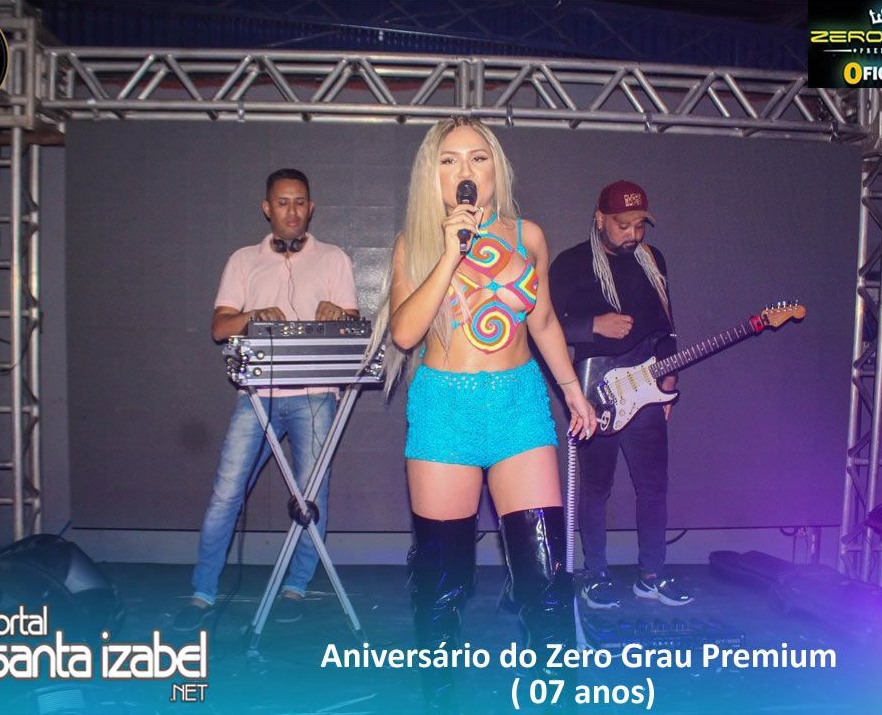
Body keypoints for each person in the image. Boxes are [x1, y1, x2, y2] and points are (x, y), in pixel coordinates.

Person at [368, 117, 597, 711]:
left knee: (545, 576)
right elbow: (404, 333)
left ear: (496, 169)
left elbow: (542, 319)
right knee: (442, 583)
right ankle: (441, 702)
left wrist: (570, 389)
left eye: (477, 157)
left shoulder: (529, 236)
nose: (464, 171)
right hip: (444, 410)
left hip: (519, 406)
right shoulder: (415, 244)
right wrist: (450, 253)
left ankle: (557, 699)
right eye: (449, 160)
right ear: (433, 175)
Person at [173, 168, 360, 631]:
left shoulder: (334, 258)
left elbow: (352, 327)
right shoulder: (243, 260)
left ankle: (296, 588)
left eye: (299, 202)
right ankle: (202, 592)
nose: (291, 211)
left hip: (316, 397)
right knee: (225, 495)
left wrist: (339, 314)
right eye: (282, 202)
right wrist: (254, 315)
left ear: (310, 208)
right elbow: (220, 328)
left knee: (311, 498)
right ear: (267, 208)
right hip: (257, 397)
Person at [549, 180, 693, 608]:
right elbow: (542, 326)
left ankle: (653, 574)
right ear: (600, 219)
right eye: (623, 225)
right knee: (596, 488)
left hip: (647, 388)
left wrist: (669, 381)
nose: (633, 234)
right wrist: (593, 325)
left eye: (639, 225)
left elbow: (666, 325)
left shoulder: (652, 260)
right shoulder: (571, 263)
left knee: (654, 487)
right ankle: (596, 573)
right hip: (596, 390)